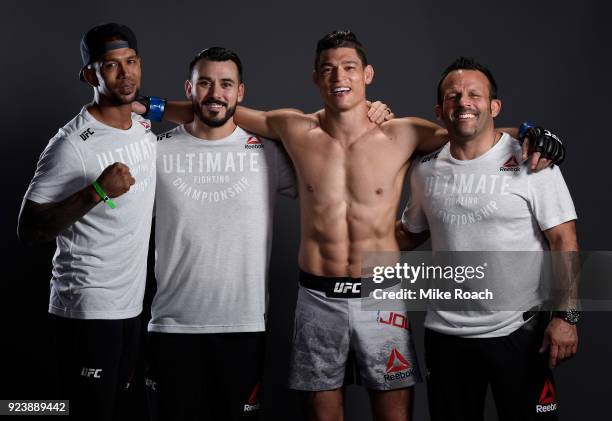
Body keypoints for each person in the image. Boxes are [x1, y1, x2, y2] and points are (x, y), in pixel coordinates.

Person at [141, 30, 564, 421]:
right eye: (328, 69)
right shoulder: (293, 127)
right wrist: (151, 107)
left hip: (380, 295)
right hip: (317, 297)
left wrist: (530, 133)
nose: (338, 76)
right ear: (315, 78)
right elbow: (219, 108)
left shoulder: (404, 132)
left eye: (348, 68)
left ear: (367, 74)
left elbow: (471, 130)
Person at [399, 57, 578, 420]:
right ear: (439, 110)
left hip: (519, 331)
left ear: (493, 106)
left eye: (473, 94)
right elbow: (409, 235)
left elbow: (564, 241)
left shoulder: (533, 162)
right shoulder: (425, 170)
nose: (463, 102)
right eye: (453, 96)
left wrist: (568, 316)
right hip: (446, 335)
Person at [144, 47, 296, 420]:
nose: (216, 93)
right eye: (206, 83)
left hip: (243, 325)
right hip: (172, 326)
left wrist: (377, 115)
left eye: (226, 84)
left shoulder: (268, 153)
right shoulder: (154, 150)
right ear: (189, 88)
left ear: (240, 92)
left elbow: (331, 166)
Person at [17, 23, 156, 420]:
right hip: (87, 308)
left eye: (130, 62)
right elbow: (28, 229)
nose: (124, 73)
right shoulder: (71, 145)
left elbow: (170, 106)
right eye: (111, 66)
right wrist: (96, 192)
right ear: (89, 75)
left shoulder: (143, 127)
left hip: (130, 307)